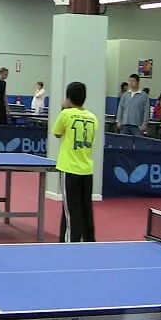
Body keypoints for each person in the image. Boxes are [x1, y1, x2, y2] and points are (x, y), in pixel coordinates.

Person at [53, 82, 98, 243]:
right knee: (86, 210)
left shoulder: (65, 114)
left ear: (69, 97)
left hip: (69, 170)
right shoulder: (93, 117)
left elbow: (57, 134)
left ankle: (69, 247)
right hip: (87, 170)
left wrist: (64, 108)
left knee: (71, 212)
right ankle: (89, 243)